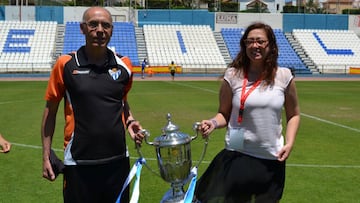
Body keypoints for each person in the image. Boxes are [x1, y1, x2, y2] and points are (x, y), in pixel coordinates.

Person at [41, 7, 144, 203]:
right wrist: (46, 156)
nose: (100, 30)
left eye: (106, 25)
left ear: (112, 30)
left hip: (117, 162)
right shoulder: (66, 65)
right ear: (82, 28)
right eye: (93, 24)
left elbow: (122, 102)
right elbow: (50, 112)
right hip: (79, 163)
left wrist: (130, 122)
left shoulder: (124, 65)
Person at [194, 22, 300, 203]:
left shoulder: (283, 76)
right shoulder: (233, 75)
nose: (255, 45)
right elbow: (223, 114)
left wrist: (289, 144)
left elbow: (294, 115)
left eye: (260, 41)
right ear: (244, 45)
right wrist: (212, 123)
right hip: (238, 154)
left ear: (271, 45)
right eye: (250, 41)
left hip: (271, 156)